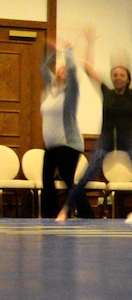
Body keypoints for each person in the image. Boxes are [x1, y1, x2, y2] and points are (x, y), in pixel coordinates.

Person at [63, 27, 132, 220]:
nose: (118, 77)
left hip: (131, 140)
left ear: (128, 78)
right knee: (87, 175)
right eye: (115, 75)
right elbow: (88, 68)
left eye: (122, 75)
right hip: (106, 140)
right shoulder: (106, 92)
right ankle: (65, 210)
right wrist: (90, 42)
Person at [40, 40, 81, 219]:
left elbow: (72, 72)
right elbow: (43, 68)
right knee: (47, 180)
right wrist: (53, 52)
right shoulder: (50, 91)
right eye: (58, 70)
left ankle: (86, 213)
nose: (59, 73)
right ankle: (50, 216)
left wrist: (68, 52)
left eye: (63, 72)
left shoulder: (70, 93)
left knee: (66, 177)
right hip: (51, 145)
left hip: (68, 144)